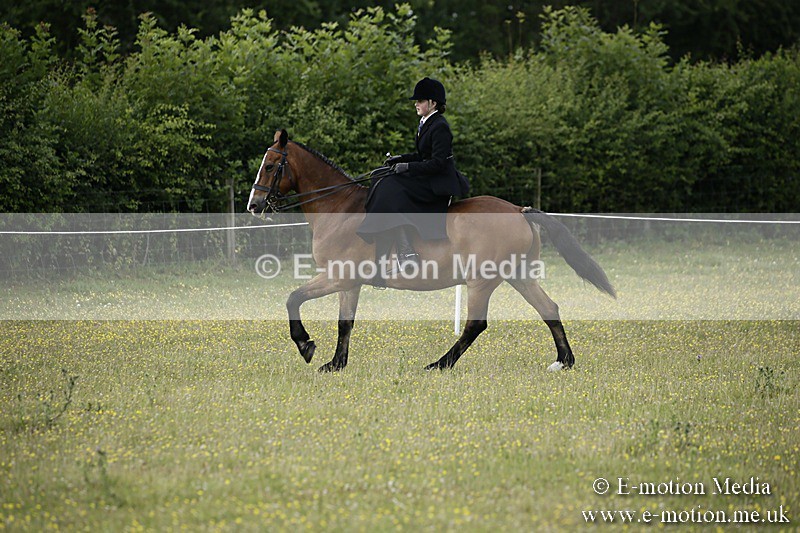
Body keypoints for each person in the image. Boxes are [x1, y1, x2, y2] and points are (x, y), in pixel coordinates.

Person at [357, 77, 469, 283]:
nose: (416, 104)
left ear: (432, 103)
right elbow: (422, 155)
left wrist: (407, 167)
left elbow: (438, 163)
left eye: (420, 100)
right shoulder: (426, 123)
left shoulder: (440, 126)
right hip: (428, 176)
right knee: (382, 176)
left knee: (392, 190)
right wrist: (400, 159)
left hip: (438, 183)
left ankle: (407, 252)